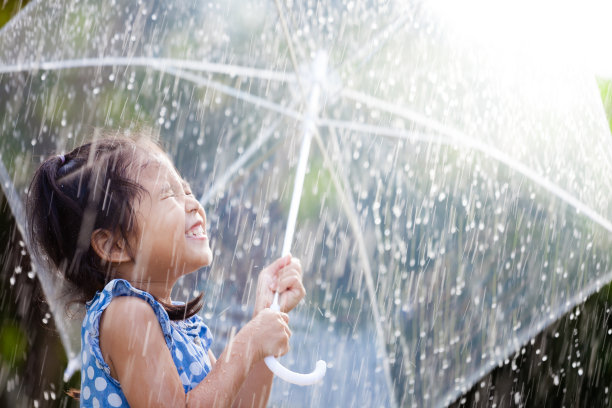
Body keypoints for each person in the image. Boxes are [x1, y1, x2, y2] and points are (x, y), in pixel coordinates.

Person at [26, 132, 305, 407]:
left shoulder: (182, 329)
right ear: (113, 245)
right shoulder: (126, 315)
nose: (194, 203)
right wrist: (249, 343)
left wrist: (267, 315)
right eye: (169, 193)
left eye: (186, 189)